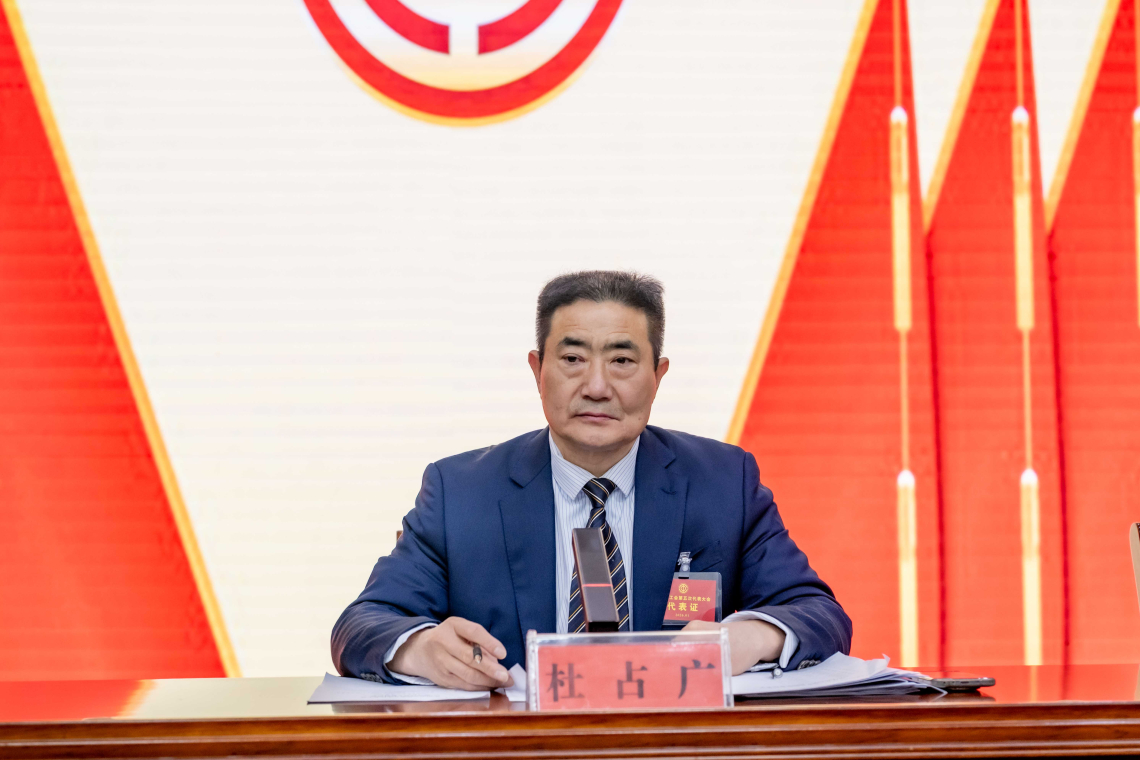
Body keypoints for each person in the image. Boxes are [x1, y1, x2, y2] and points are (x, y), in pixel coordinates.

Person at [332, 271, 851, 689]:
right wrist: (422, 649)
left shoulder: (722, 482)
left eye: (622, 360)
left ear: (658, 375)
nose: (597, 386)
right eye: (573, 359)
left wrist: (745, 638)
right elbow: (362, 624)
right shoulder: (461, 492)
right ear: (537, 370)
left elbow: (819, 614)